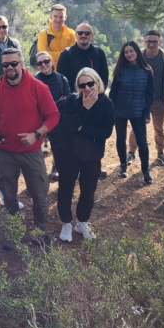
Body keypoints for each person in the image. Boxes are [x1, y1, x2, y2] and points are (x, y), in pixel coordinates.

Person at [0, 48, 60, 249]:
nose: (10, 68)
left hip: (32, 151)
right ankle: (14, 233)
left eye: (13, 63)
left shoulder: (38, 87)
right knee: (8, 195)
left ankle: (39, 233)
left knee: (39, 194)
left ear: (22, 63)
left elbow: (53, 116)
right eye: (6, 64)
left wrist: (37, 134)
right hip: (6, 152)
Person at [55, 68, 114, 242]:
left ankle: (82, 221)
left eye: (90, 83)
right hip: (69, 153)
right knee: (66, 188)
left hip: (92, 155)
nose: (87, 88)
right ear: (78, 86)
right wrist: (85, 108)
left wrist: (81, 128)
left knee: (88, 190)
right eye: (82, 85)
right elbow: (68, 125)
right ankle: (66, 222)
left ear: (97, 83)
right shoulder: (72, 102)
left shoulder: (106, 103)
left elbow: (105, 132)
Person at [127, 30, 164, 169]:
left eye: (155, 41)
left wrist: (162, 83)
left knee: (159, 128)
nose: (151, 44)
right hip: (140, 100)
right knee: (136, 127)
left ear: (160, 42)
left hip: (160, 99)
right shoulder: (139, 55)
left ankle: (160, 152)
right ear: (145, 42)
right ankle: (131, 152)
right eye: (149, 41)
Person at [108, 42, 156, 183]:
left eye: (131, 51)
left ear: (137, 52)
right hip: (120, 110)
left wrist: (147, 113)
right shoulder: (120, 70)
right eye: (126, 52)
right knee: (120, 138)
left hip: (138, 111)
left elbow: (150, 94)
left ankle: (145, 170)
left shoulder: (147, 71)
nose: (129, 54)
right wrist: (110, 110)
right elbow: (113, 92)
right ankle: (123, 165)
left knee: (142, 142)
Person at [32, 51, 70, 182]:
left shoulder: (61, 78)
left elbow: (68, 99)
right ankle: (38, 173)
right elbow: (33, 102)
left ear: (51, 61)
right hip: (39, 119)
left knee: (57, 146)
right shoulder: (34, 81)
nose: (44, 65)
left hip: (57, 120)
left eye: (46, 61)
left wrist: (56, 104)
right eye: (40, 63)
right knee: (38, 148)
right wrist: (58, 102)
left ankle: (56, 167)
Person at [56, 22, 110, 93]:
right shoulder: (66, 54)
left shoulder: (99, 53)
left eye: (87, 33)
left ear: (92, 36)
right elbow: (61, 80)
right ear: (76, 35)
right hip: (73, 99)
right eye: (80, 33)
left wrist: (99, 94)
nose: (83, 35)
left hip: (95, 98)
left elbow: (104, 77)